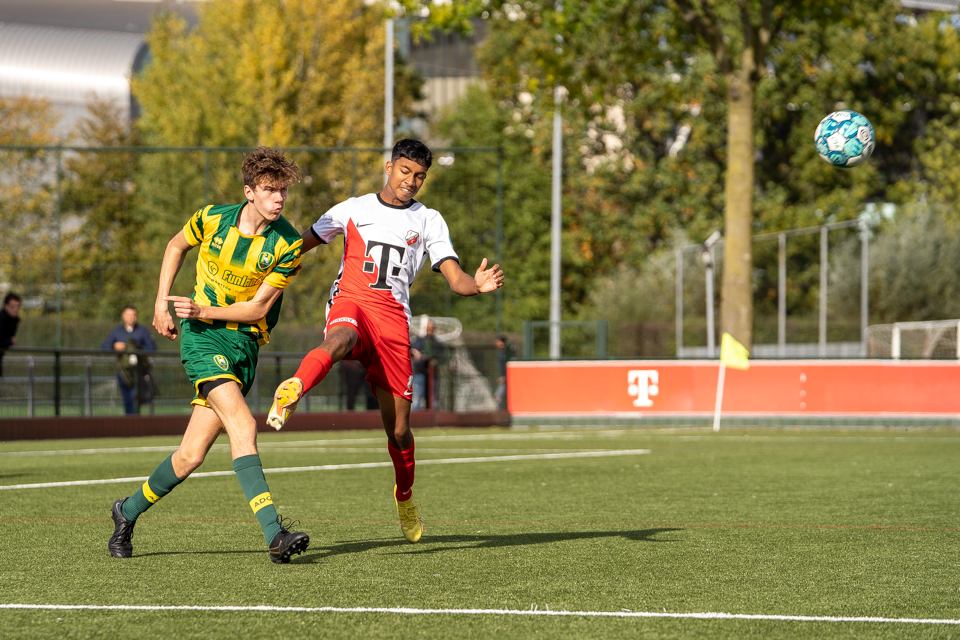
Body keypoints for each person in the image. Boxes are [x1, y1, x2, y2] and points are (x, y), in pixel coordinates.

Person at [266, 138, 504, 544]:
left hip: (393, 324)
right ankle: (295, 387)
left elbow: (454, 276)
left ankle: (405, 497)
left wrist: (475, 287)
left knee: (398, 431)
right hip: (352, 301)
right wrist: (267, 264)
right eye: (406, 171)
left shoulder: (429, 220)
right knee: (339, 338)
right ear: (388, 167)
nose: (411, 182)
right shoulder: (352, 209)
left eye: (420, 176)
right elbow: (301, 243)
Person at [108, 146, 310, 564]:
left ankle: (125, 512)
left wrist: (202, 308)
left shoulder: (288, 243)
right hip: (202, 339)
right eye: (270, 190)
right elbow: (174, 246)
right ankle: (275, 535)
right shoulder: (212, 218)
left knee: (190, 456)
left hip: (244, 346)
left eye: (283, 191)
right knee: (242, 422)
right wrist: (162, 302)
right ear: (248, 191)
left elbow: (256, 310)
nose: (278, 199)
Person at [101, 306, 157, 414]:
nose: (132, 318)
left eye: (134, 315)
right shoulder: (117, 332)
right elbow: (104, 347)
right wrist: (114, 346)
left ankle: (134, 423)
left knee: (135, 398)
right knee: (127, 399)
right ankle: (129, 424)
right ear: (123, 316)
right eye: (129, 315)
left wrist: (137, 348)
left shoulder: (143, 331)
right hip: (123, 373)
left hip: (139, 372)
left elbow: (152, 348)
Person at [411, 319, 445, 410]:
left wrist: (435, 361)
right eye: (429, 327)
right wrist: (415, 352)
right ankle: (414, 420)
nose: (430, 329)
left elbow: (442, 357)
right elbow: (412, 351)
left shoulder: (437, 343)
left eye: (432, 328)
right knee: (417, 397)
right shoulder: (419, 340)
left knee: (432, 399)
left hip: (433, 375)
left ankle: (434, 420)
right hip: (420, 373)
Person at [0, 293, 21, 377]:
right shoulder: (2, 319)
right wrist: (10, 341)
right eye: (12, 306)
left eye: (17, 306)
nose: (15, 309)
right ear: (5, 305)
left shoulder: (13, 321)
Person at [493, 335, 509, 411]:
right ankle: (501, 411)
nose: (496, 344)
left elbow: (509, 365)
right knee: (499, 396)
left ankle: (501, 411)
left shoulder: (508, 351)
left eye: (497, 342)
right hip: (505, 378)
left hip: (507, 378)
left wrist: (504, 376)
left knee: (498, 396)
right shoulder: (502, 353)